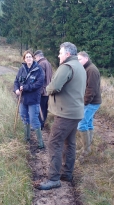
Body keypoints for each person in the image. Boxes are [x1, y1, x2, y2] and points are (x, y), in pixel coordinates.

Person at [37, 42, 86, 190]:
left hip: (65, 113)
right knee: (69, 143)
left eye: (60, 52)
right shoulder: (79, 67)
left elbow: (55, 86)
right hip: (76, 112)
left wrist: (47, 88)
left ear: (68, 54)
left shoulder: (67, 67)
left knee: (54, 142)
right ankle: (67, 173)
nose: (58, 55)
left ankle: (53, 178)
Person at [14, 50, 45, 149]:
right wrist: (16, 90)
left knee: (33, 119)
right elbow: (16, 81)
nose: (28, 59)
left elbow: (38, 84)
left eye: (30, 57)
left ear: (33, 58)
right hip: (23, 99)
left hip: (33, 99)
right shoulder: (21, 69)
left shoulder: (38, 69)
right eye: (26, 57)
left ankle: (41, 143)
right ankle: (26, 138)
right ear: (24, 59)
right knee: (24, 117)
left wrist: (26, 87)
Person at [77, 51, 102, 159]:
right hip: (91, 102)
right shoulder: (86, 68)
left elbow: (91, 89)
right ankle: (87, 148)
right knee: (89, 123)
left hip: (91, 103)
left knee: (82, 124)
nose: (78, 62)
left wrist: (84, 102)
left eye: (80, 59)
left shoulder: (91, 70)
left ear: (86, 58)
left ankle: (86, 150)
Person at [33, 50, 53, 130]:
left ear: (38, 56)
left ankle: (39, 125)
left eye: (35, 58)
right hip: (47, 90)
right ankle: (42, 124)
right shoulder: (48, 63)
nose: (35, 59)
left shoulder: (40, 64)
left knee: (39, 108)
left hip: (41, 91)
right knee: (44, 108)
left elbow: (40, 78)